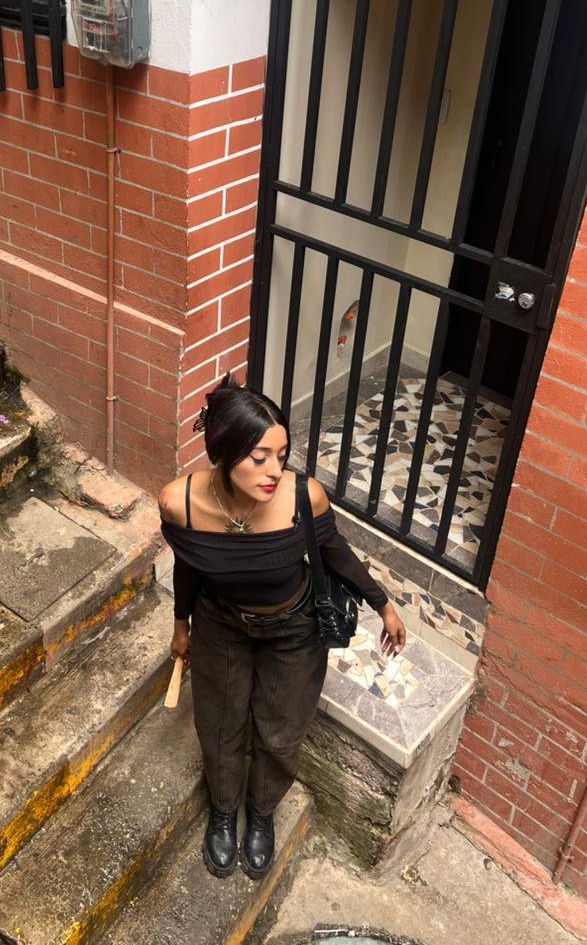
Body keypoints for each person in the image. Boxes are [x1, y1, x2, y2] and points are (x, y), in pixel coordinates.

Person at [159, 373, 406, 881]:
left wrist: (383, 604)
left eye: (282, 455)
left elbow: (335, 552)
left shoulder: (302, 497)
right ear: (224, 452)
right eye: (259, 458)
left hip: (294, 630)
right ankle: (224, 810)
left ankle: (262, 812)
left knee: (280, 731)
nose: (275, 470)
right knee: (220, 724)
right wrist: (181, 625)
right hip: (221, 624)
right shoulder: (179, 503)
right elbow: (189, 566)